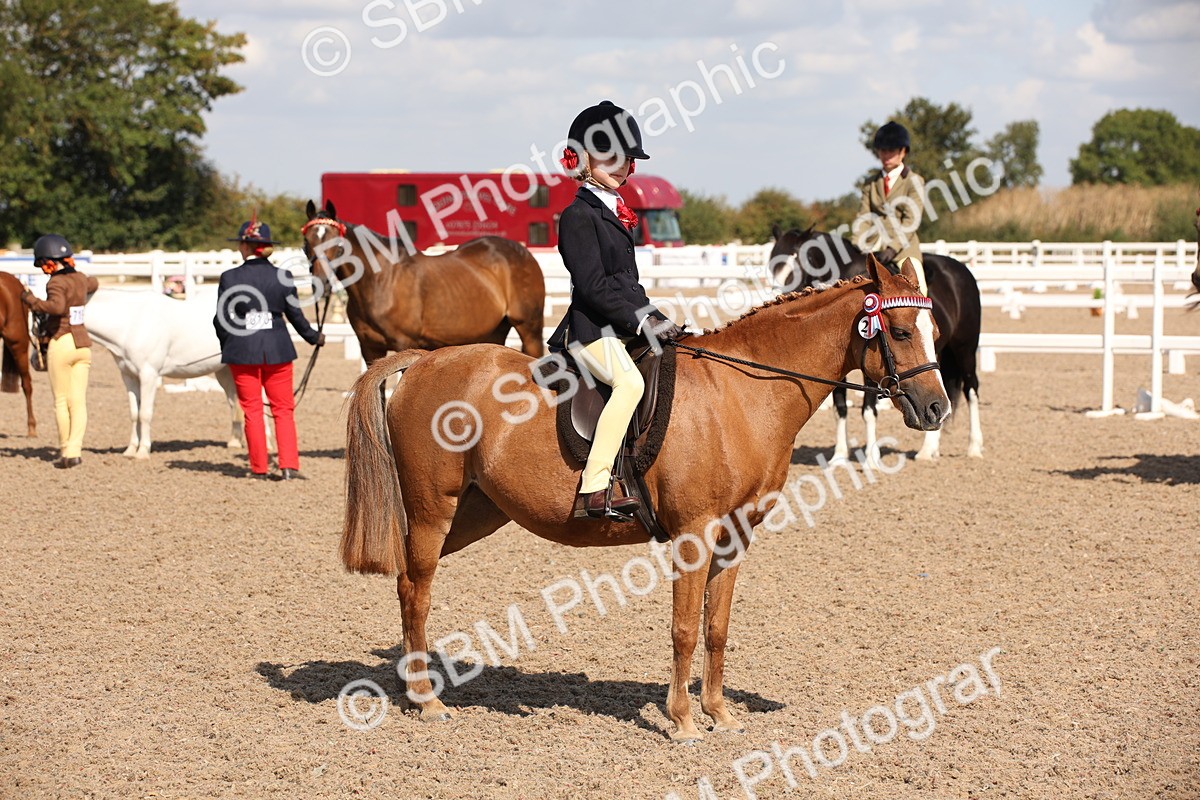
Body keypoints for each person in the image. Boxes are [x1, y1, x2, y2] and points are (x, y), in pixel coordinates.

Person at [547, 101, 685, 520]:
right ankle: (594, 488)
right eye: (609, 157)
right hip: (591, 331)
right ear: (582, 159)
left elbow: (627, 284)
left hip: (621, 325)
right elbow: (593, 287)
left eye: (627, 159)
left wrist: (654, 316)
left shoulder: (617, 215)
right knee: (629, 384)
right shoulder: (577, 216)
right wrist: (640, 320)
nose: (622, 167)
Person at [213, 217, 324, 480]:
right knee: (283, 409)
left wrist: (228, 344)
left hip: (243, 350)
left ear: (245, 246)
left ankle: (259, 468)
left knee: (251, 409)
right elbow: (295, 316)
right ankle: (288, 465)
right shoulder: (282, 277)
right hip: (278, 349)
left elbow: (221, 319)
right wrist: (313, 337)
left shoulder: (230, 278)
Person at [21, 234, 98, 469]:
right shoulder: (81, 278)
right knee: (79, 401)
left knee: (61, 401)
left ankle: (66, 450)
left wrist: (31, 300)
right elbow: (94, 283)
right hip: (82, 345)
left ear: (49, 261)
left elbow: (56, 307)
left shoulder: (56, 282)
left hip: (62, 342)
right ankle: (76, 450)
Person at [855, 121, 928, 294]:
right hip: (873, 247)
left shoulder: (913, 181)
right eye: (882, 150)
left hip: (903, 249)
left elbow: (911, 220)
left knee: (919, 288)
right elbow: (863, 215)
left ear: (903, 152)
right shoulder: (870, 183)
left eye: (891, 150)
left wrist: (893, 248)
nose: (886, 155)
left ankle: (924, 319)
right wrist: (857, 242)